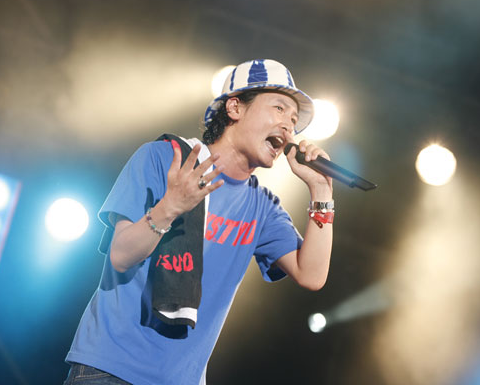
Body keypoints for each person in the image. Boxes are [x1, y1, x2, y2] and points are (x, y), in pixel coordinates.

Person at [64, 59, 334, 385]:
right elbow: (120, 256)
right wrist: (170, 207)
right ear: (235, 107)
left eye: (293, 120)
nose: (288, 126)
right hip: (110, 369)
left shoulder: (262, 206)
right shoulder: (164, 158)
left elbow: (312, 275)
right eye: (279, 108)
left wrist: (321, 190)